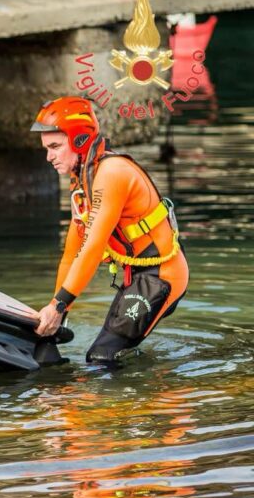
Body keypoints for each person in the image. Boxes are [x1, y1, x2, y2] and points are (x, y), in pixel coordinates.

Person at [31, 96, 188, 362]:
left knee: (101, 357)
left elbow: (92, 248)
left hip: (161, 277)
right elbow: (72, 253)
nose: (49, 157)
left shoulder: (111, 173)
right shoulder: (81, 181)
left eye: (56, 146)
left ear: (80, 140)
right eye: (46, 148)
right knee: (105, 353)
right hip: (137, 277)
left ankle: (126, 402)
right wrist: (58, 308)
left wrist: (58, 305)